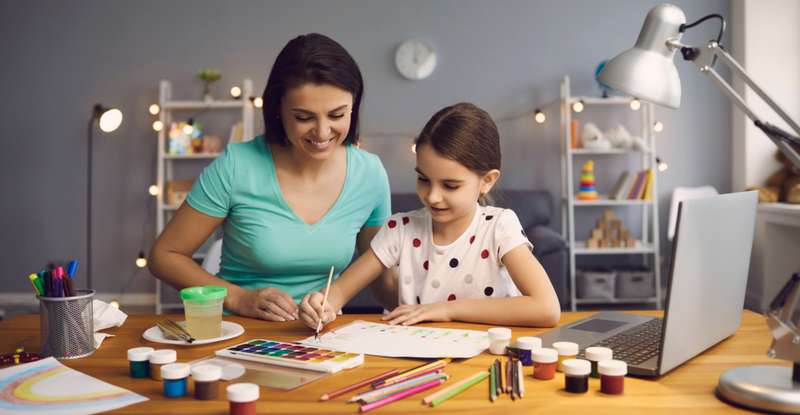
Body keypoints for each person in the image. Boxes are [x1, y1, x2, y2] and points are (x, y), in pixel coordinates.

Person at [149, 33, 391, 322]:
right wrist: (238, 298)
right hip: (240, 332)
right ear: (277, 109)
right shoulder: (237, 166)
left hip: (319, 338)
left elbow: (380, 272)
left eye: (337, 114)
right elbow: (165, 256)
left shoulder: (370, 174)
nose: (323, 132)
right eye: (304, 117)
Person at [300, 103, 561, 328]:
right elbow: (339, 292)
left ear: (487, 181)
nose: (432, 196)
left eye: (450, 185)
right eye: (424, 179)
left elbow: (547, 308)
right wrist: (321, 305)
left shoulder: (499, 227)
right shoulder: (400, 229)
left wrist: (446, 310)